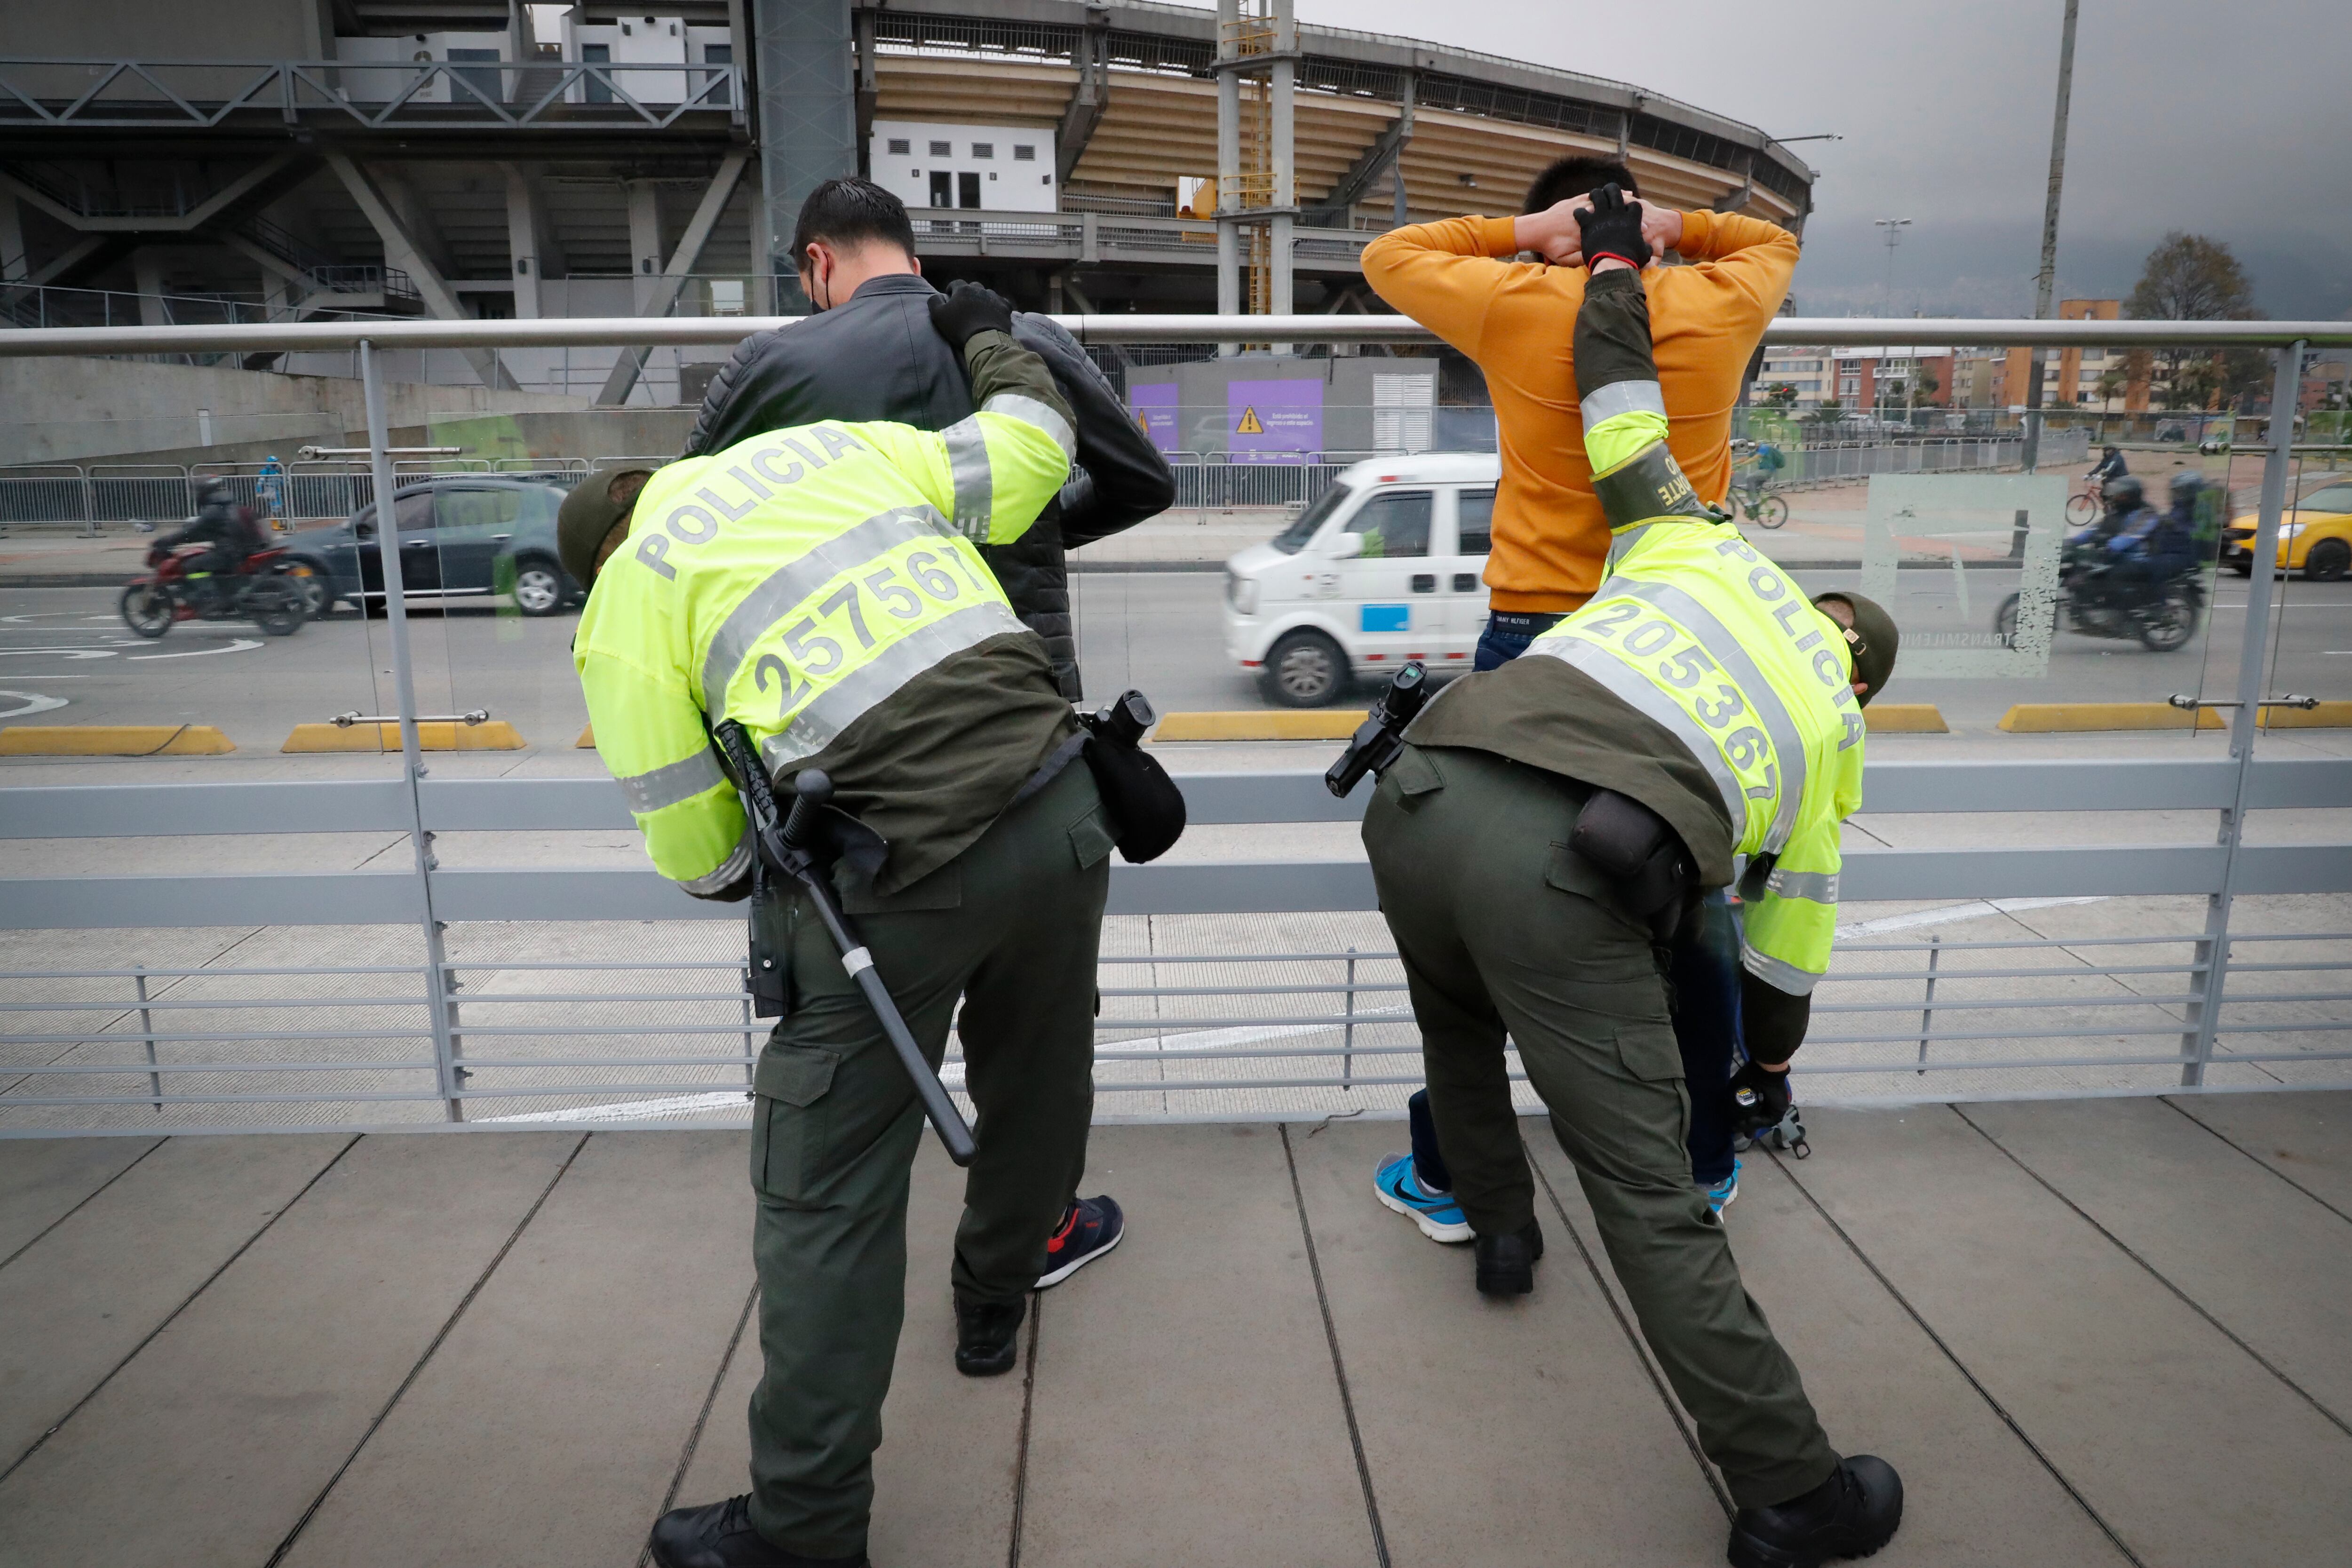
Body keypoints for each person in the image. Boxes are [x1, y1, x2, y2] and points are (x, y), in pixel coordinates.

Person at [1359, 186, 1904, 1568]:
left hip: (1419, 783)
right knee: (1647, 1192)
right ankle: (1790, 1491)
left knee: (1457, 1022)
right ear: (1865, 683)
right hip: (1566, 859)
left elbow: (1616, 402)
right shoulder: (1835, 737)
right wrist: (1761, 1065)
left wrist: (1603, 256)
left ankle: (1495, 1234)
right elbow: (1785, 945)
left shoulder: (1691, 541)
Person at [563, 283, 1122, 1568]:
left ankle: (807, 1526)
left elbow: (697, 853)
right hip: (1061, 798)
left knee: (824, 1197)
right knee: (1041, 1079)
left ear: (596, 555)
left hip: (893, 881)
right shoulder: (810, 448)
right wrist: (988, 334)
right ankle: (991, 1308)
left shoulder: (630, 597)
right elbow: (1035, 456)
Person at [1362, 154, 1794, 1234]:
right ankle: (1701, 1163)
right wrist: (1676, 228)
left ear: (1565, 220)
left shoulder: (1520, 301)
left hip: (1538, 640)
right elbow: (1771, 242)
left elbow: (1388, 257)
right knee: (1690, 915)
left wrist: (1528, 230)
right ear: (1640, 222)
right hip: (1675, 640)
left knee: (1494, 903)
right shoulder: (1718, 298)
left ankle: (1459, 1176)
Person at [681, 176, 1174, 702]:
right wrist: (1036, 529)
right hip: (1023, 688)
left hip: (855, 697)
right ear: (913, 265)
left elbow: (683, 520)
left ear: (818, 261)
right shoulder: (1025, 339)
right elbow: (1142, 484)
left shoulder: (769, 364)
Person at [159, 479, 255, 614]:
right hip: (238, 550)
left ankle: (212, 598)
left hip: (229, 553)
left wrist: (167, 540)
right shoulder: (229, 506)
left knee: (191, 566)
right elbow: (207, 533)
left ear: (204, 493)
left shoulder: (213, 510)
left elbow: (194, 531)